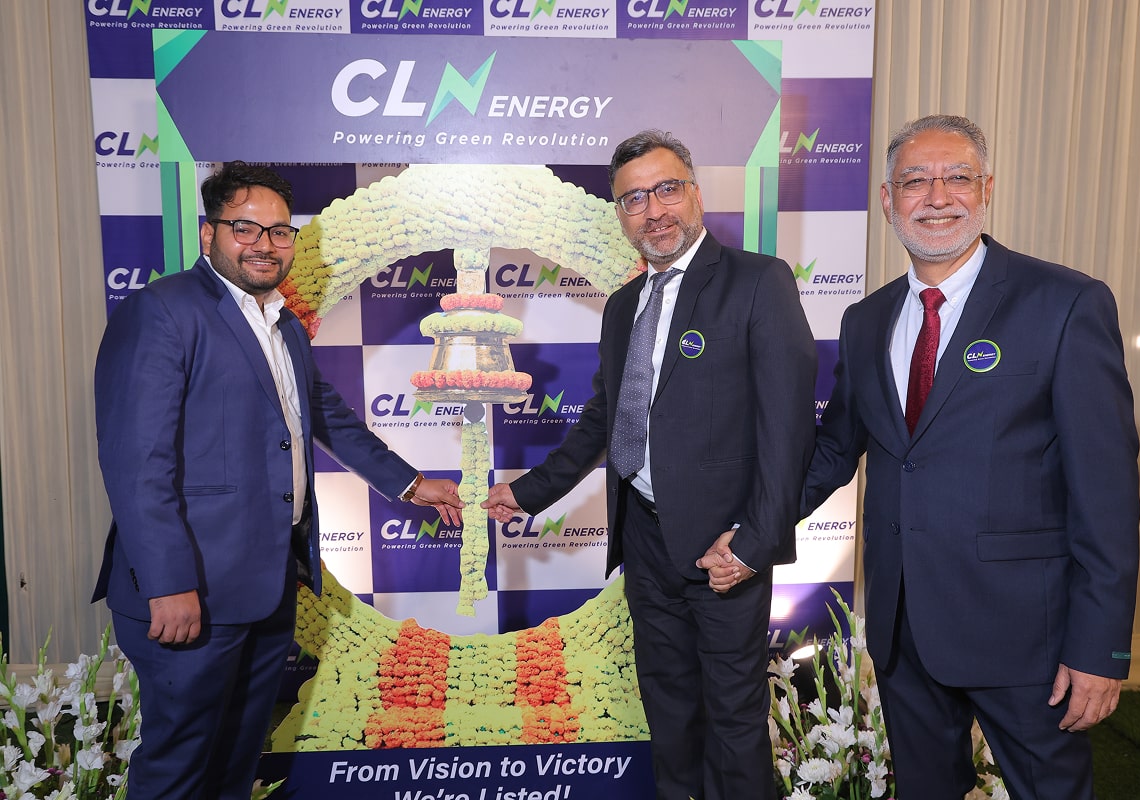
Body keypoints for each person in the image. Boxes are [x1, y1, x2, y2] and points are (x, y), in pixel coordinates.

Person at [93, 161, 464, 799]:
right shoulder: (162, 312)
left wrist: (410, 484)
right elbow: (137, 465)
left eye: (280, 231)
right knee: (179, 768)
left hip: (265, 588)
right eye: (245, 228)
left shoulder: (282, 322)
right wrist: (169, 583)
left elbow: (324, 415)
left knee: (235, 763)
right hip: (191, 590)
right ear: (209, 233)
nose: (265, 244)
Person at [801, 115, 1140, 799]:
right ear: (888, 200)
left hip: (1027, 637)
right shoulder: (865, 321)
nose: (937, 197)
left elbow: (1106, 494)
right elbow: (835, 448)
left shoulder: (1066, 304)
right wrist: (746, 527)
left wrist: (1100, 646)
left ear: (986, 189)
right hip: (904, 631)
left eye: (957, 177)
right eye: (914, 182)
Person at [482, 129, 817, 798]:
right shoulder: (623, 305)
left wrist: (755, 542)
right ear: (620, 213)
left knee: (734, 722)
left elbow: (789, 430)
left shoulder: (758, 281)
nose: (653, 210)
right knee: (668, 711)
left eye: (667, 190)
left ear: (695, 194)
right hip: (643, 538)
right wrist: (530, 492)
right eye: (634, 198)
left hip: (725, 549)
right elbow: (609, 417)